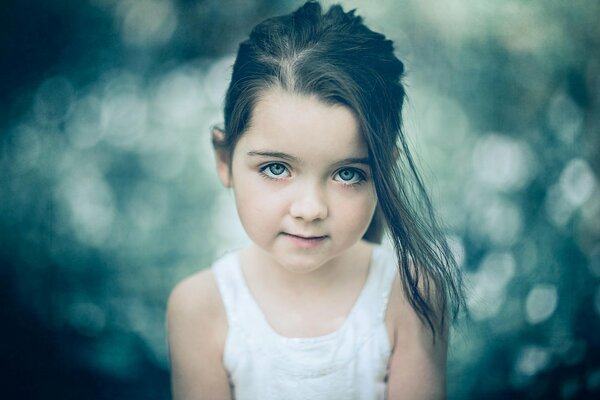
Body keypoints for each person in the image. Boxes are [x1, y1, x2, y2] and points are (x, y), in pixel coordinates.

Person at [167, 1, 464, 399]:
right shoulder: (201, 308)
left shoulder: (410, 295)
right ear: (225, 161)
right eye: (276, 169)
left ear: (384, 173)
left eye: (347, 174)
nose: (310, 210)